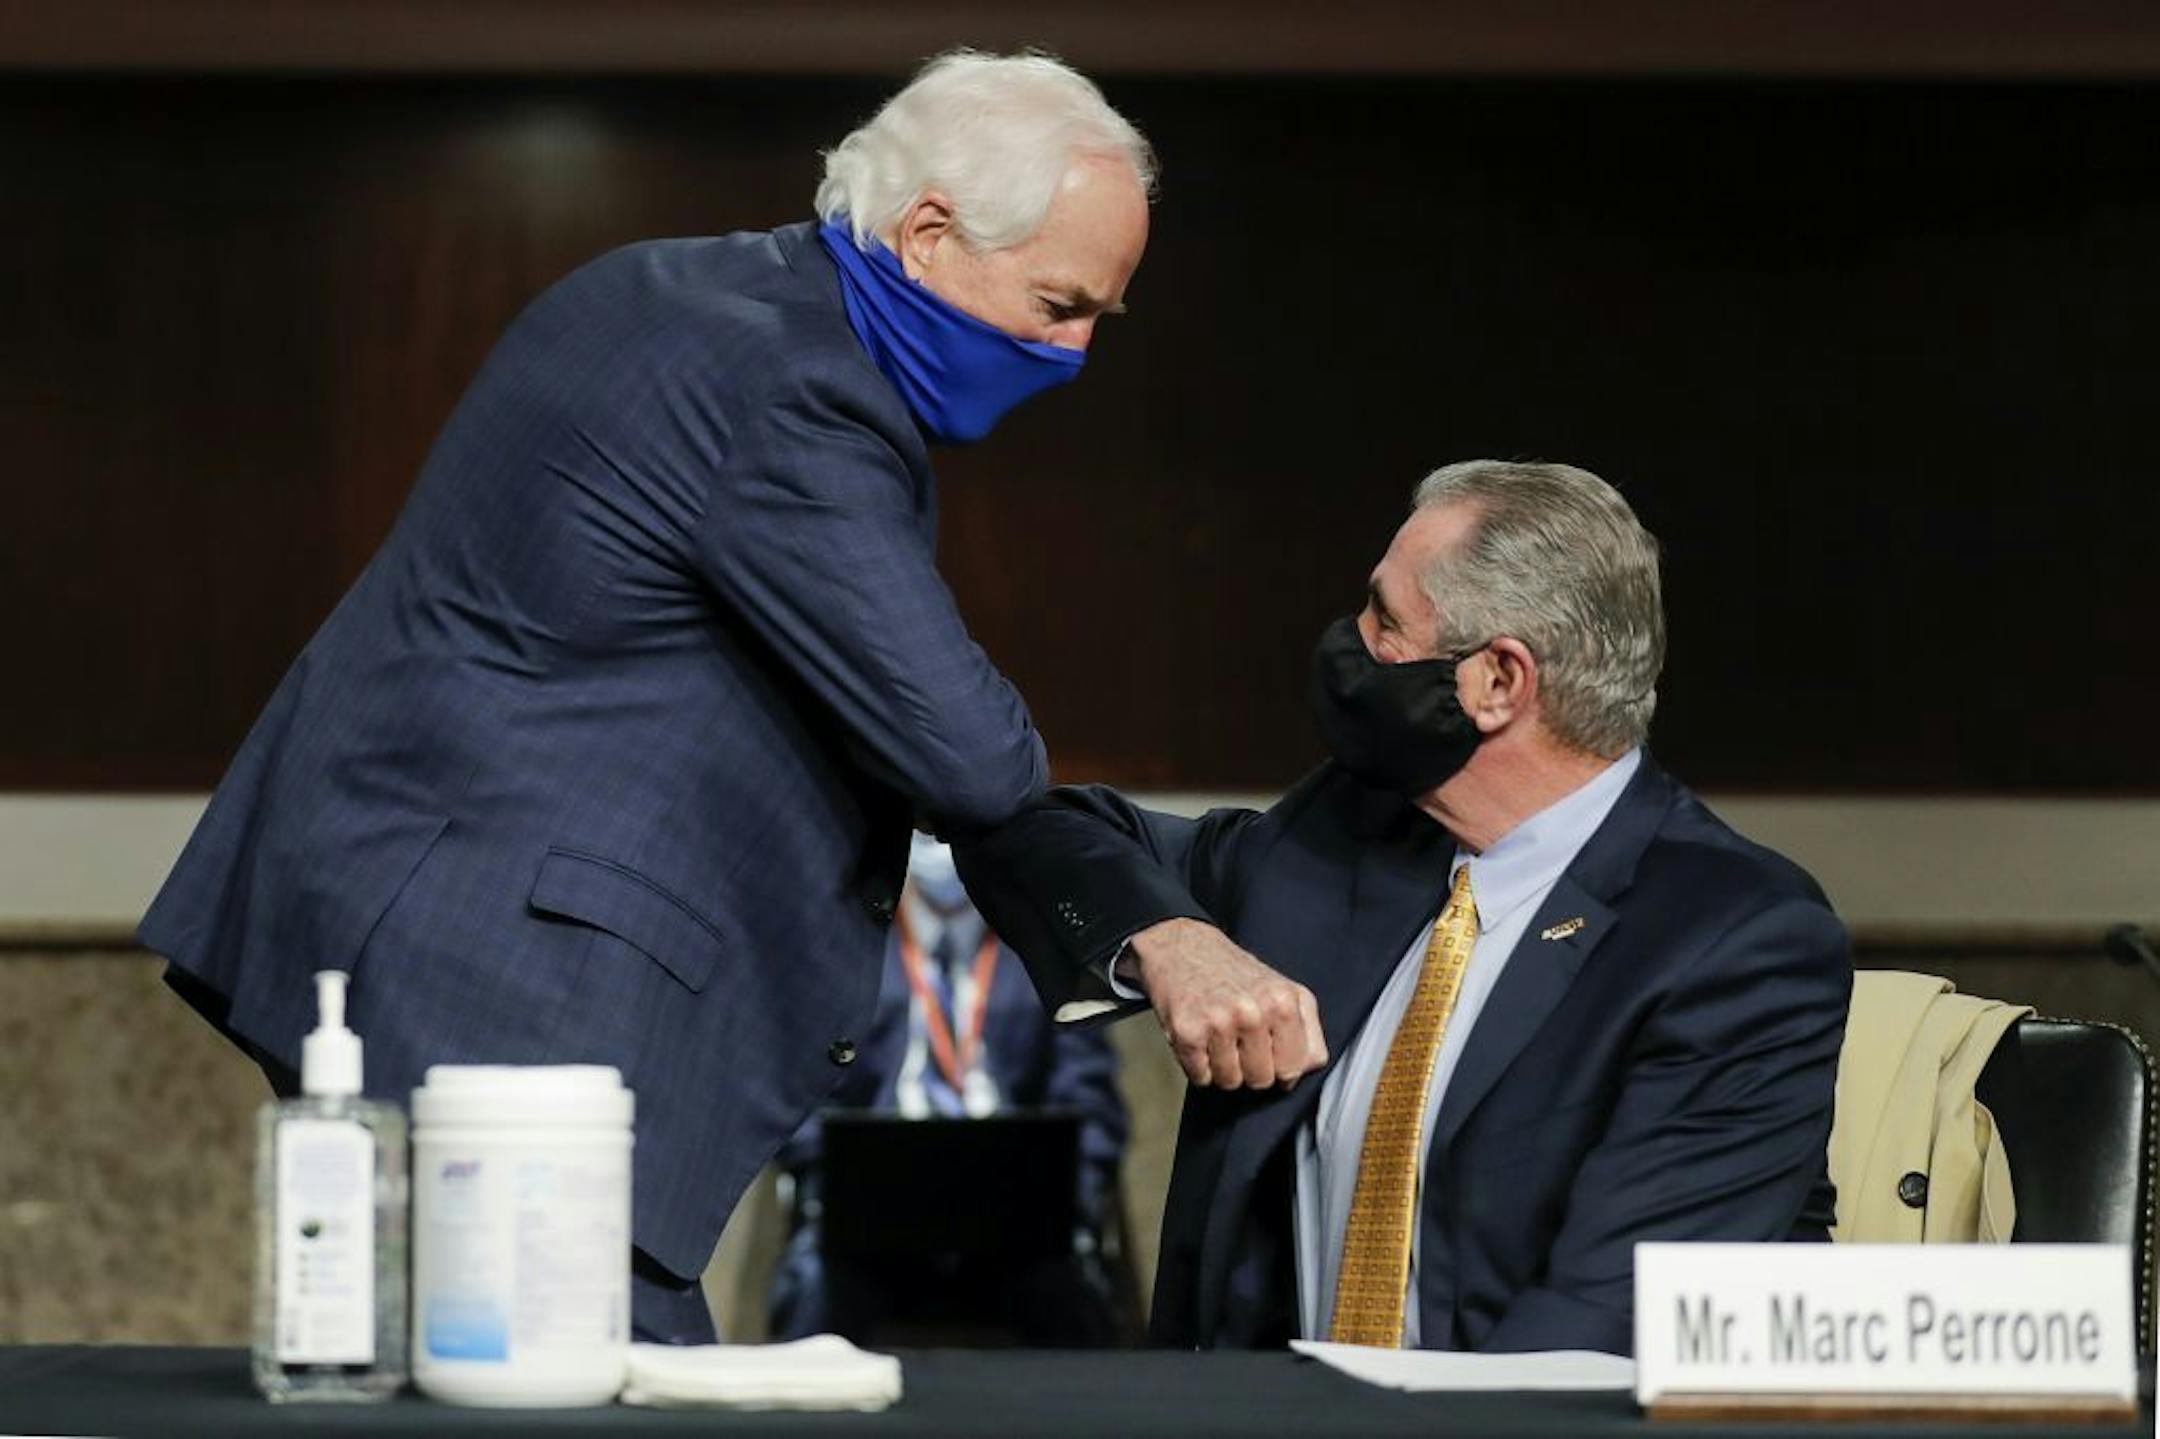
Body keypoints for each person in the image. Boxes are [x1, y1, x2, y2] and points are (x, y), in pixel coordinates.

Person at [137, 50, 1319, 1344]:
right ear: (927, 232)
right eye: (1057, 302)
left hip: (397, 914)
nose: (1078, 351)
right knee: (587, 1384)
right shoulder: (798, 391)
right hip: (509, 985)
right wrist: (1156, 917)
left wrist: (1138, 923)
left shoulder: (661, 287)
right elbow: (969, 750)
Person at [957, 460, 1853, 1355]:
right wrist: (1174, 939)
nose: (1350, 641)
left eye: (1385, 619)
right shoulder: (1340, 832)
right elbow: (1036, 830)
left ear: (1498, 681)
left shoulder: (1735, 941)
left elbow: (1595, 1332)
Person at [765, 835, 1127, 1346]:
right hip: (869, 1225)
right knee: (818, 1293)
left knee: (1072, 1299)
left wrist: (1072, 1202)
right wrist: (828, 1179)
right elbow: (803, 1097)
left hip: (1019, 1229)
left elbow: (1092, 1105)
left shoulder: (1046, 953)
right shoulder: (849, 949)